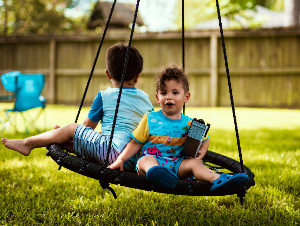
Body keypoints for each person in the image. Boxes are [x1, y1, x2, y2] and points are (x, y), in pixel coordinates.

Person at [1, 42, 154, 171]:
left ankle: (27, 143)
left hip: (111, 154)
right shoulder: (146, 100)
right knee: (98, 137)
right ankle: (61, 140)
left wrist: (73, 133)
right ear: (138, 75)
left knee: (72, 129)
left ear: (108, 74)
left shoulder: (104, 96)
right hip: (134, 160)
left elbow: (87, 126)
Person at [108, 65, 249, 192]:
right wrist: (120, 159)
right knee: (146, 160)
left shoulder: (189, 124)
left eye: (175, 92)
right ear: (157, 98)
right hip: (152, 163)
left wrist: (202, 151)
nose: (169, 97)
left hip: (178, 165)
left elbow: (205, 139)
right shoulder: (149, 119)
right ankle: (157, 174)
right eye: (164, 93)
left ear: (186, 97)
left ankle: (218, 179)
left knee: (195, 163)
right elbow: (135, 143)